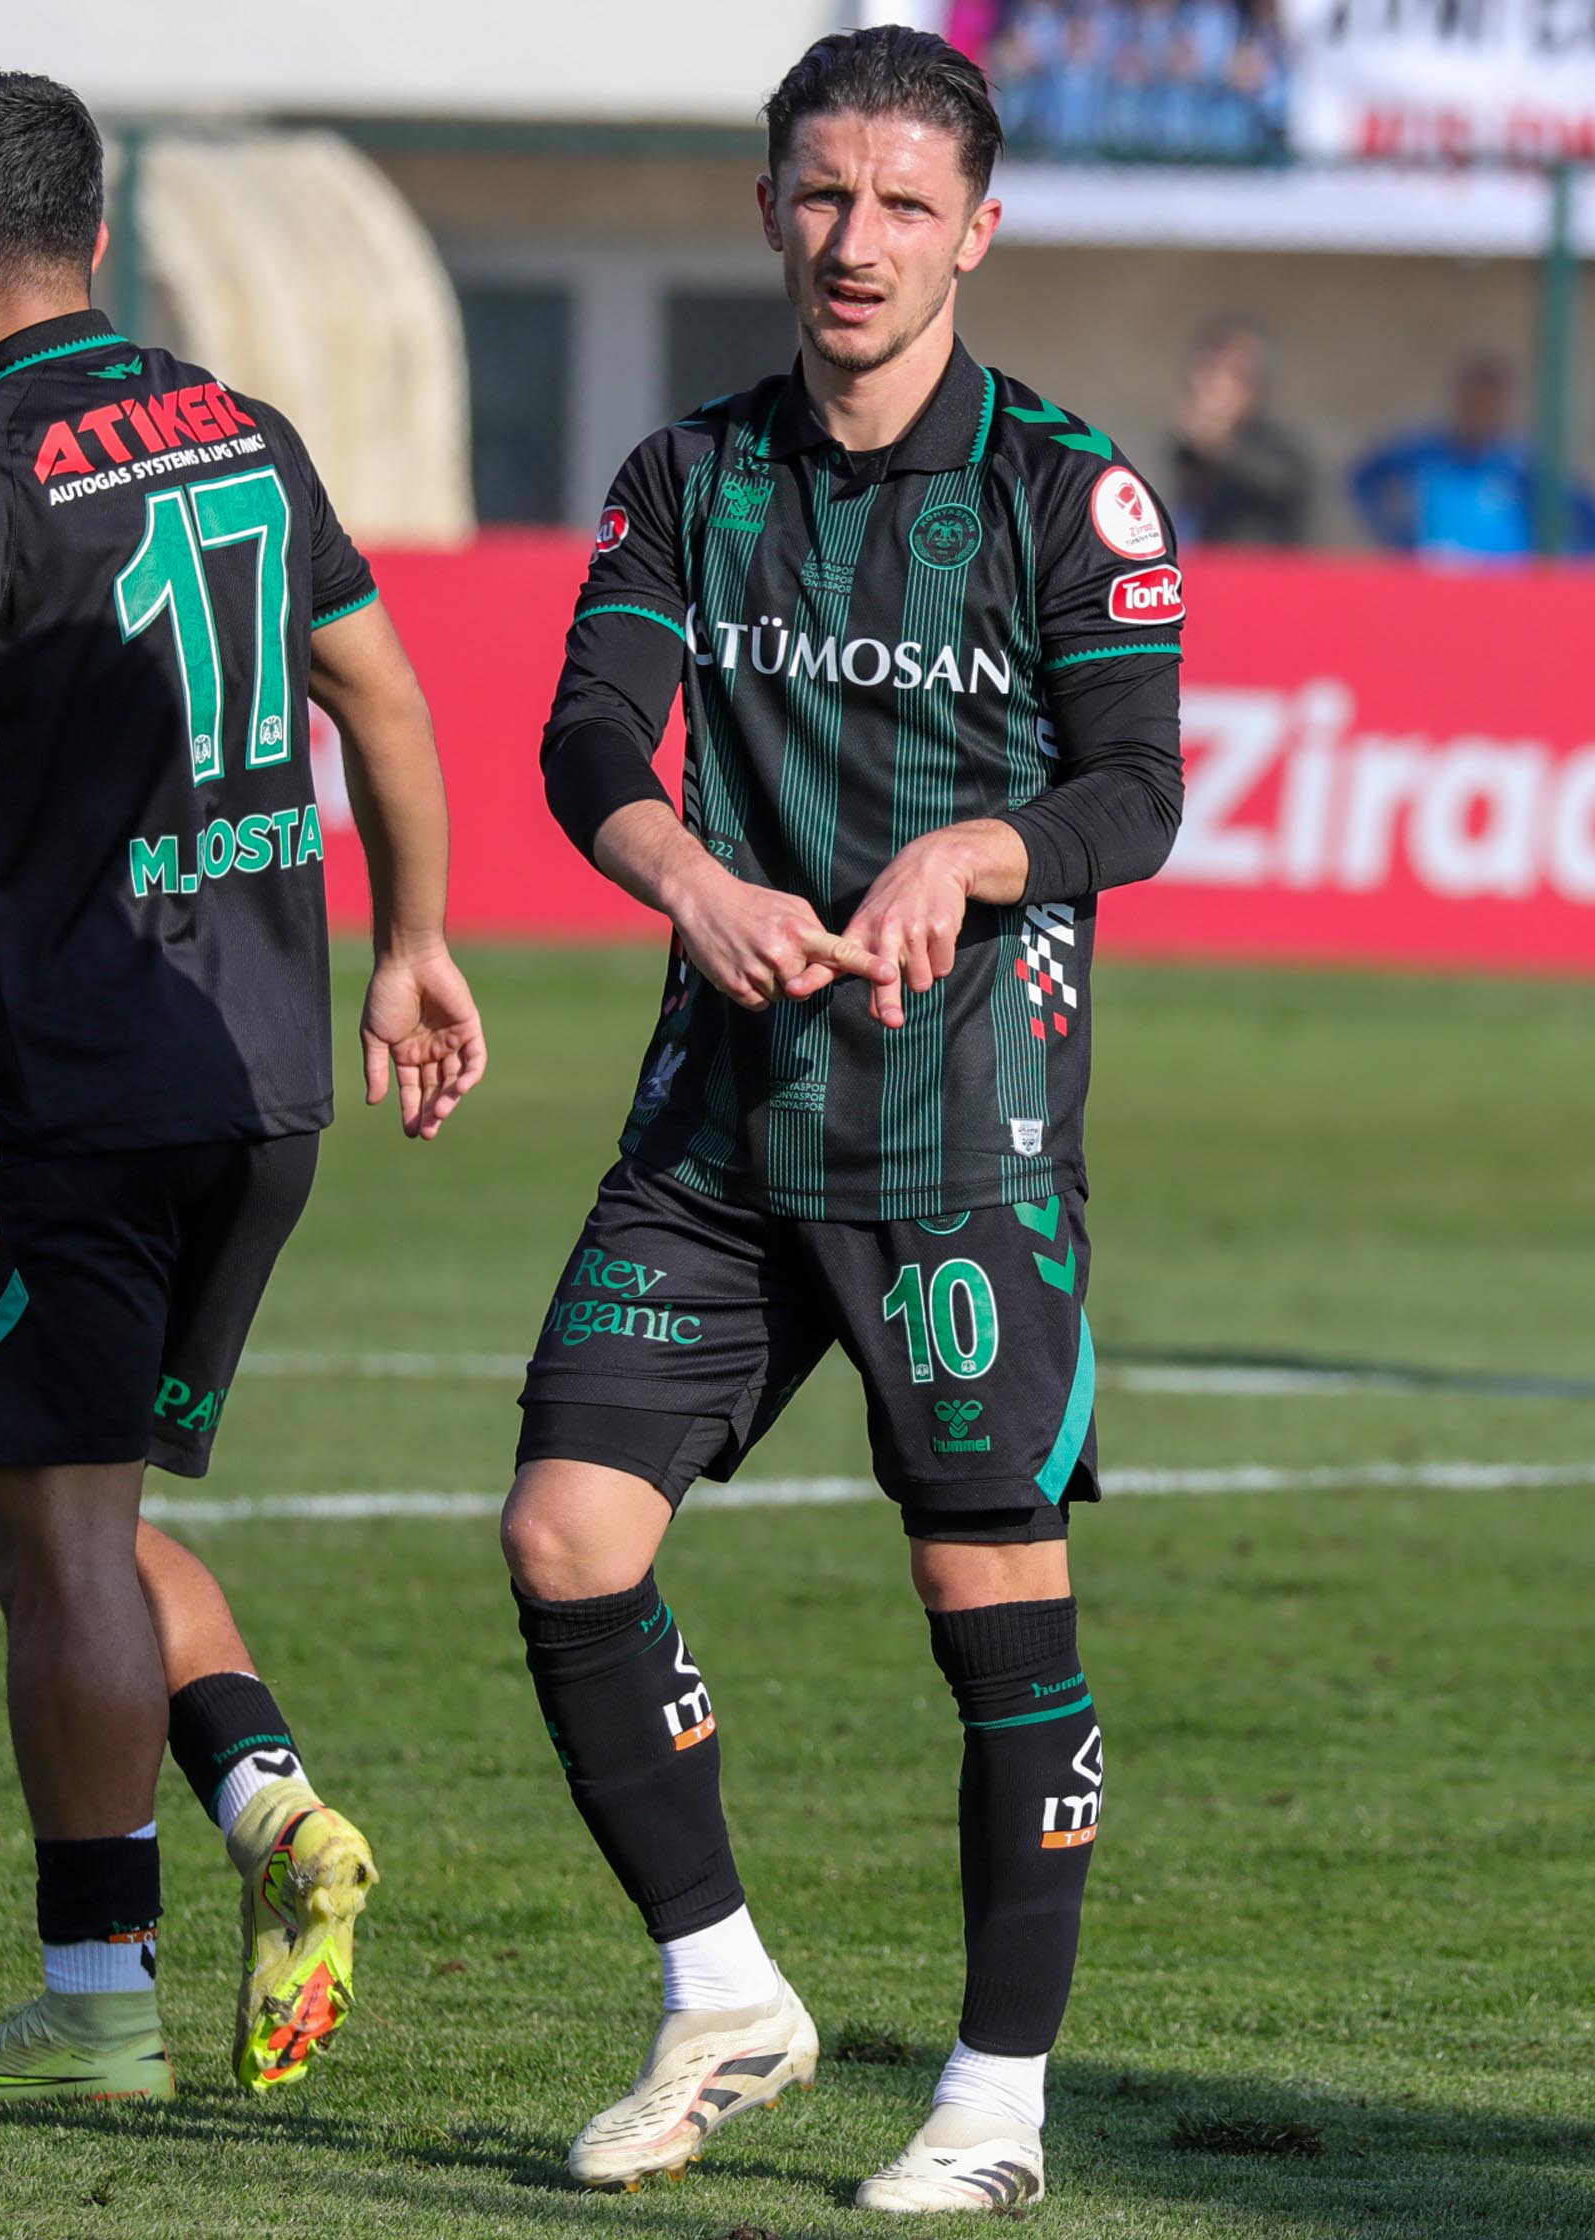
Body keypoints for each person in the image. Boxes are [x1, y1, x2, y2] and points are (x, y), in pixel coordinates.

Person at [501, 25, 1183, 2215]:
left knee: (989, 1600)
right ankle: (722, 1994)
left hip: (962, 1143)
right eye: (821, 194)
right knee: (564, 1536)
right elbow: (587, 731)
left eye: (902, 203)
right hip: (717, 1123)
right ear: (767, 210)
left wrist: (970, 856)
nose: (855, 239)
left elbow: (1133, 793)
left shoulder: (1065, 491)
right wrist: (684, 877)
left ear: (976, 231)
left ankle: (996, 2099)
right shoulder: (687, 474)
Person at [0, 72, 486, 2103]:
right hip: (262, 1082)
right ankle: (268, 1806)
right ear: (96, 237)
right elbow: (383, 694)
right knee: (70, 1503)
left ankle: (99, 2000)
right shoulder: (238, 427)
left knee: (56, 1538)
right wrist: (415, 943)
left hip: (70, 1090)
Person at [1349, 354, 1595, 560]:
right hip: (1437, 586)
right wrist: (1398, 539)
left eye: (1488, 405)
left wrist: (1555, 567)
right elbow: (1363, 479)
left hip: (1506, 591)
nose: (1479, 413)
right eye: (1472, 403)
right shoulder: (1424, 452)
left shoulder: (1524, 465)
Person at [1167, 315, 1309, 546]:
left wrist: (1215, 445)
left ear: (1250, 390)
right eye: (1201, 370)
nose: (1200, 384)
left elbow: (1277, 482)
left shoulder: (1279, 451)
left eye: (1215, 375)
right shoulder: (1184, 451)